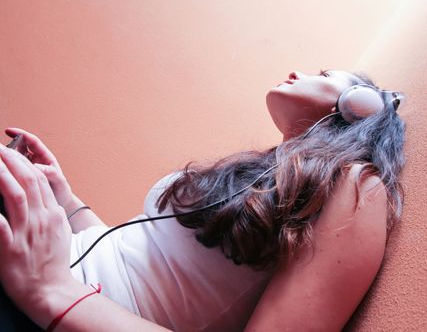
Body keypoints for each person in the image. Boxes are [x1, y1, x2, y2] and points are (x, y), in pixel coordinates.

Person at [0, 69, 405, 331]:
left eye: (324, 73)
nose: (299, 72)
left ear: (360, 105)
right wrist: (66, 199)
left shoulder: (358, 188)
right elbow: (138, 264)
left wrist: (50, 290)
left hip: (45, 309)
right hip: (43, 275)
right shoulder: (269, 173)